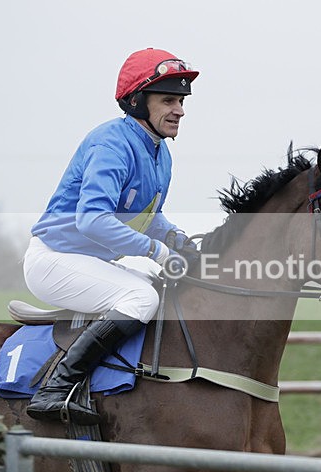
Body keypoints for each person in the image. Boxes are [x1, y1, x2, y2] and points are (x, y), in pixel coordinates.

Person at [22, 48, 199, 424]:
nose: (180, 110)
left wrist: (179, 239)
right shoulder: (111, 143)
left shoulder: (160, 152)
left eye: (181, 101)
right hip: (54, 260)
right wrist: (155, 250)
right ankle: (55, 389)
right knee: (140, 296)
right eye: (168, 100)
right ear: (137, 101)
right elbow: (93, 221)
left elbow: (147, 216)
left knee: (161, 287)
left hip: (89, 261)